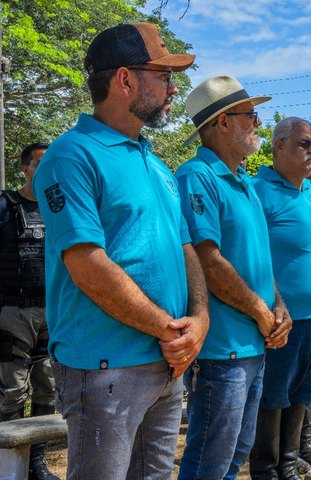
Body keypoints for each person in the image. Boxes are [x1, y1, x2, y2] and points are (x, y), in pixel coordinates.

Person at [32, 23, 209, 479]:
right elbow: (87, 266)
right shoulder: (71, 156)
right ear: (125, 79)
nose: (174, 88)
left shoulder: (155, 161)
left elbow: (185, 246)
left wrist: (200, 319)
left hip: (166, 364)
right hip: (105, 369)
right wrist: (171, 330)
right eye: (164, 76)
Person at [175, 76, 291, 479]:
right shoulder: (197, 176)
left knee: (235, 454)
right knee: (210, 458)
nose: (256, 124)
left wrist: (278, 305)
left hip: (252, 345)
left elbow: (255, 257)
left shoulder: (243, 179)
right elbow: (208, 260)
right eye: (249, 116)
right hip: (221, 351)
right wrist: (262, 312)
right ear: (222, 122)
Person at [249, 117, 311, 480]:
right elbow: (250, 253)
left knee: (302, 394)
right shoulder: (257, 189)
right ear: (278, 147)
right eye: (304, 144)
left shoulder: (309, 191)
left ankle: (287, 464)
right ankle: (265, 469)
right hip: (287, 319)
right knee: (274, 394)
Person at [0, 143, 59, 480]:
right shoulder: (5, 206)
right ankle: (9, 468)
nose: (46, 168)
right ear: (25, 168)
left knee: (47, 389)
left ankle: (37, 463)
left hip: (52, 312)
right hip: (14, 313)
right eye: (39, 163)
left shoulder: (57, 207)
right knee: (11, 392)